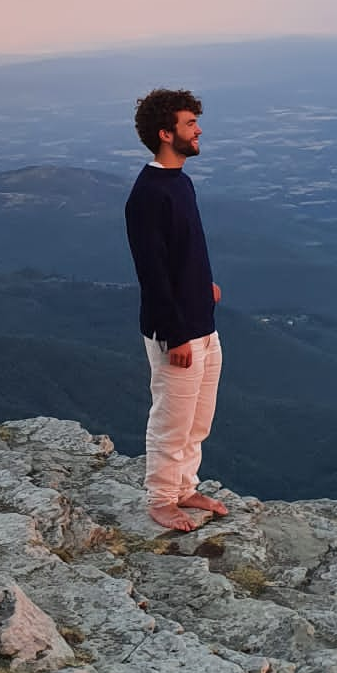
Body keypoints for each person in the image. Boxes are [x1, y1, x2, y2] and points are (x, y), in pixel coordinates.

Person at [124, 88, 227, 532]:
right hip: (177, 331)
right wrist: (175, 334)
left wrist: (204, 285)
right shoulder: (147, 195)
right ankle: (163, 499)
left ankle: (186, 485)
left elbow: (182, 251)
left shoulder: (179, 183)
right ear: (167, 134)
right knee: (172, 417)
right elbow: (152, 270)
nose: (198, 129)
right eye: (189, 124)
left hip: (202, 319)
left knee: (198, 418)